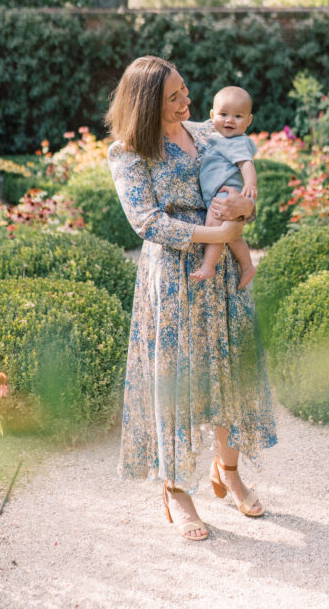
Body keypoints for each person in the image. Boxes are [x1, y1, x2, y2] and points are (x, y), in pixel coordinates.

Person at [106, 56, 276, 542]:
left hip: (220, 273)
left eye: (185, 90)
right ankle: (176, 490)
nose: (188, 102)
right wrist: (215, 230)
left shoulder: (207, 132)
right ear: (146, 104)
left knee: (228, 374)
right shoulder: (128, 152)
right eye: (175, 97)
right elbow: (147, 222)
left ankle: (228, 470)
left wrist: (245, 207)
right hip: (175, 278)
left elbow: (240, 185)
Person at [191, 86, 258, 290]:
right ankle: (247, 265)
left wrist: (250, 184)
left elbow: (246, 163)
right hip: (219, 192)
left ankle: (208, 265)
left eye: (238, 116)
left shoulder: (236, 142)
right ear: (212, 115)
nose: (229, 120)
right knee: (231, 235)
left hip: (226, 193)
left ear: (248, 121)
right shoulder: (216, 138)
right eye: (223, 114)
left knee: (214, 226)